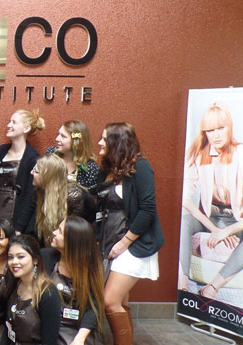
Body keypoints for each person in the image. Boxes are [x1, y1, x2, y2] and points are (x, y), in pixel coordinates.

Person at [179, 104, 243, 298]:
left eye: (220, 128)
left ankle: (212, 288)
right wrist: (215, 229)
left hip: (237, 220)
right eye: (210, 130)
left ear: (229, 127)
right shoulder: (200, 154)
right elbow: (184, 197)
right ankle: (182, 283)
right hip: (211, 217)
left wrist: (228, 231)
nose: (216, 135)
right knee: (183, 221)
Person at [93, 122, 164, 345]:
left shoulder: (141, 167)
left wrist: (124, 243)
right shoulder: (105, 169)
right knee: (120, 303)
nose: (99, 143)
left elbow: (147, 210)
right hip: (108, 241)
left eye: (104, 139)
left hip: (133, 244)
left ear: (117, 143)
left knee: (109, 301)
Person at [0, 109, 44, 239]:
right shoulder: (1, 151)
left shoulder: (32, 158)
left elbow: (30, 196)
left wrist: (20, 227)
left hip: (15, 216)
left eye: (14, 122)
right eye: (9, 121)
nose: (8, 125)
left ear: (26, 128)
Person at [46, 216, 105, 345]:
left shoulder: (90, 268)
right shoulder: (46, 258)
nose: (54, 232)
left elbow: (94, 307)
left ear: (71, 241)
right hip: (50, 328)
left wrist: (80, 338)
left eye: (60, 231)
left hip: (79, 329)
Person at [3, 235, 62, 345]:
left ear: (35, 260)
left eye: (20, 257)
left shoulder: (48, 293)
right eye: (10, 257)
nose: (14, 262)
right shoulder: (13, 283)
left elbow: (49, 341)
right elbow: (7, 329)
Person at [32, 154, 96, 246]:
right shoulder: (40, 191)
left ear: (47, 177)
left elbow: (74, 235)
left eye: (36, 171)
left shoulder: (74, 196)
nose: (31, 172)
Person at [46, 120, 100, 191]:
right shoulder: (51, 154)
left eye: (63, 136)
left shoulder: (90, 169)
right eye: (58, 134)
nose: (57, 139)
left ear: (76, 142)